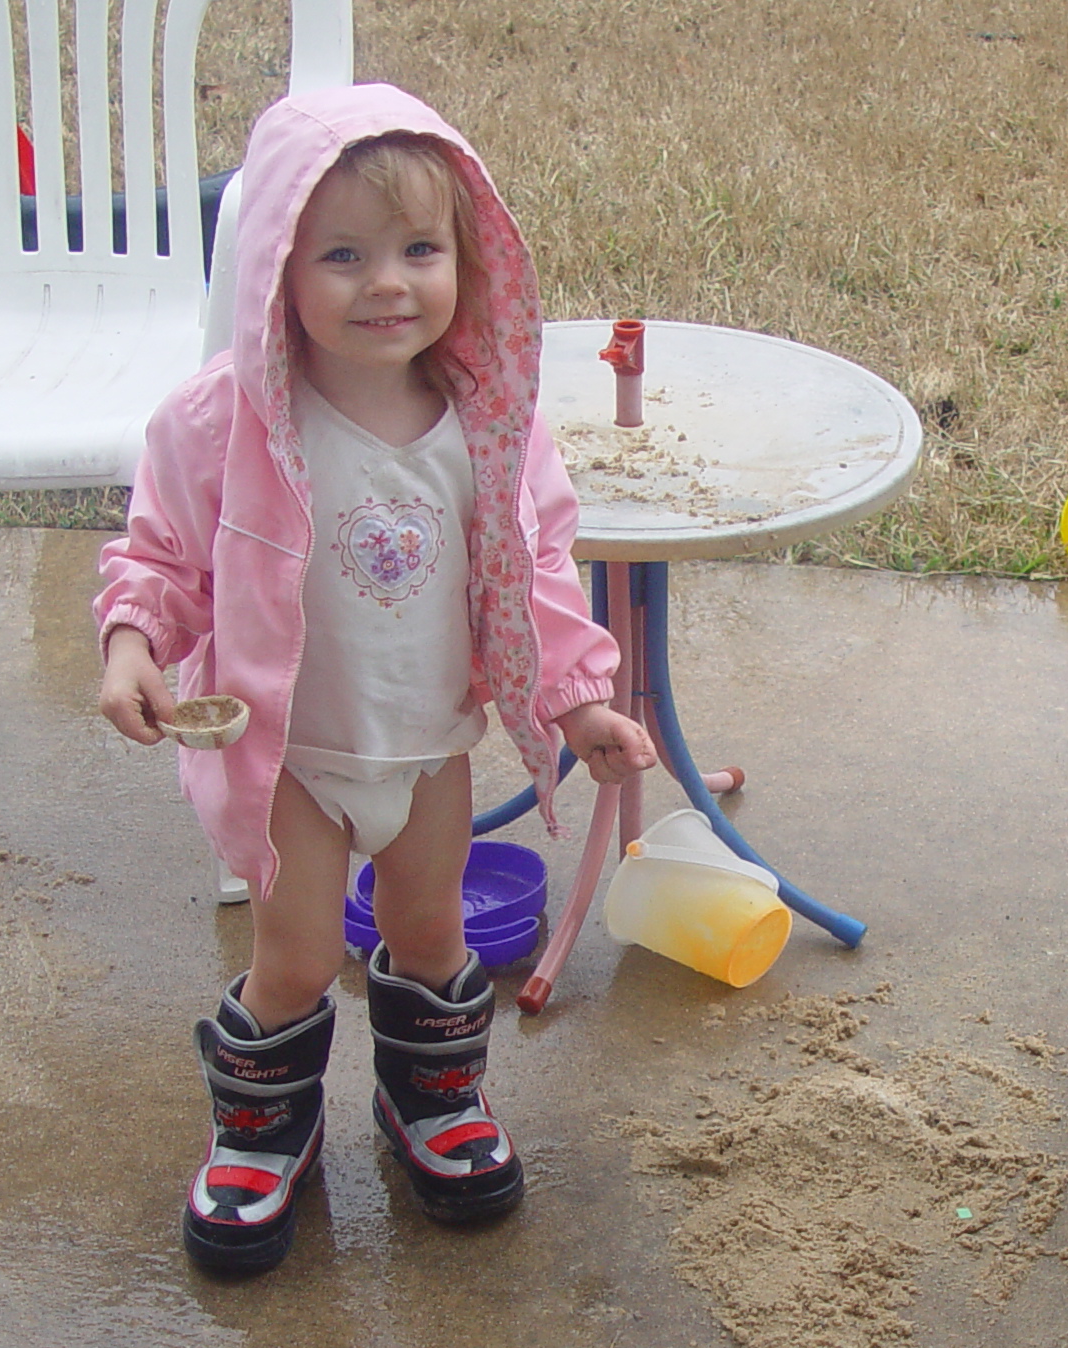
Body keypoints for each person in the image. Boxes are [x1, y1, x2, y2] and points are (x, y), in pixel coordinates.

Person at [96, 85, 654, 1274]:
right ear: (273, 273)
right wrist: (133, 644)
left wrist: (581, 700)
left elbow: (535, 573)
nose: (386, 282)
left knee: (430, 927)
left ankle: (432, 1103)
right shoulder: (224, 424)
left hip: (428, 746)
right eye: (341, 255)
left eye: (418, 250)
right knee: (295, 953)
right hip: (291, 753)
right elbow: (158, 558)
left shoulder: (487, 426)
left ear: (469, 259)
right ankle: (259, 1131)